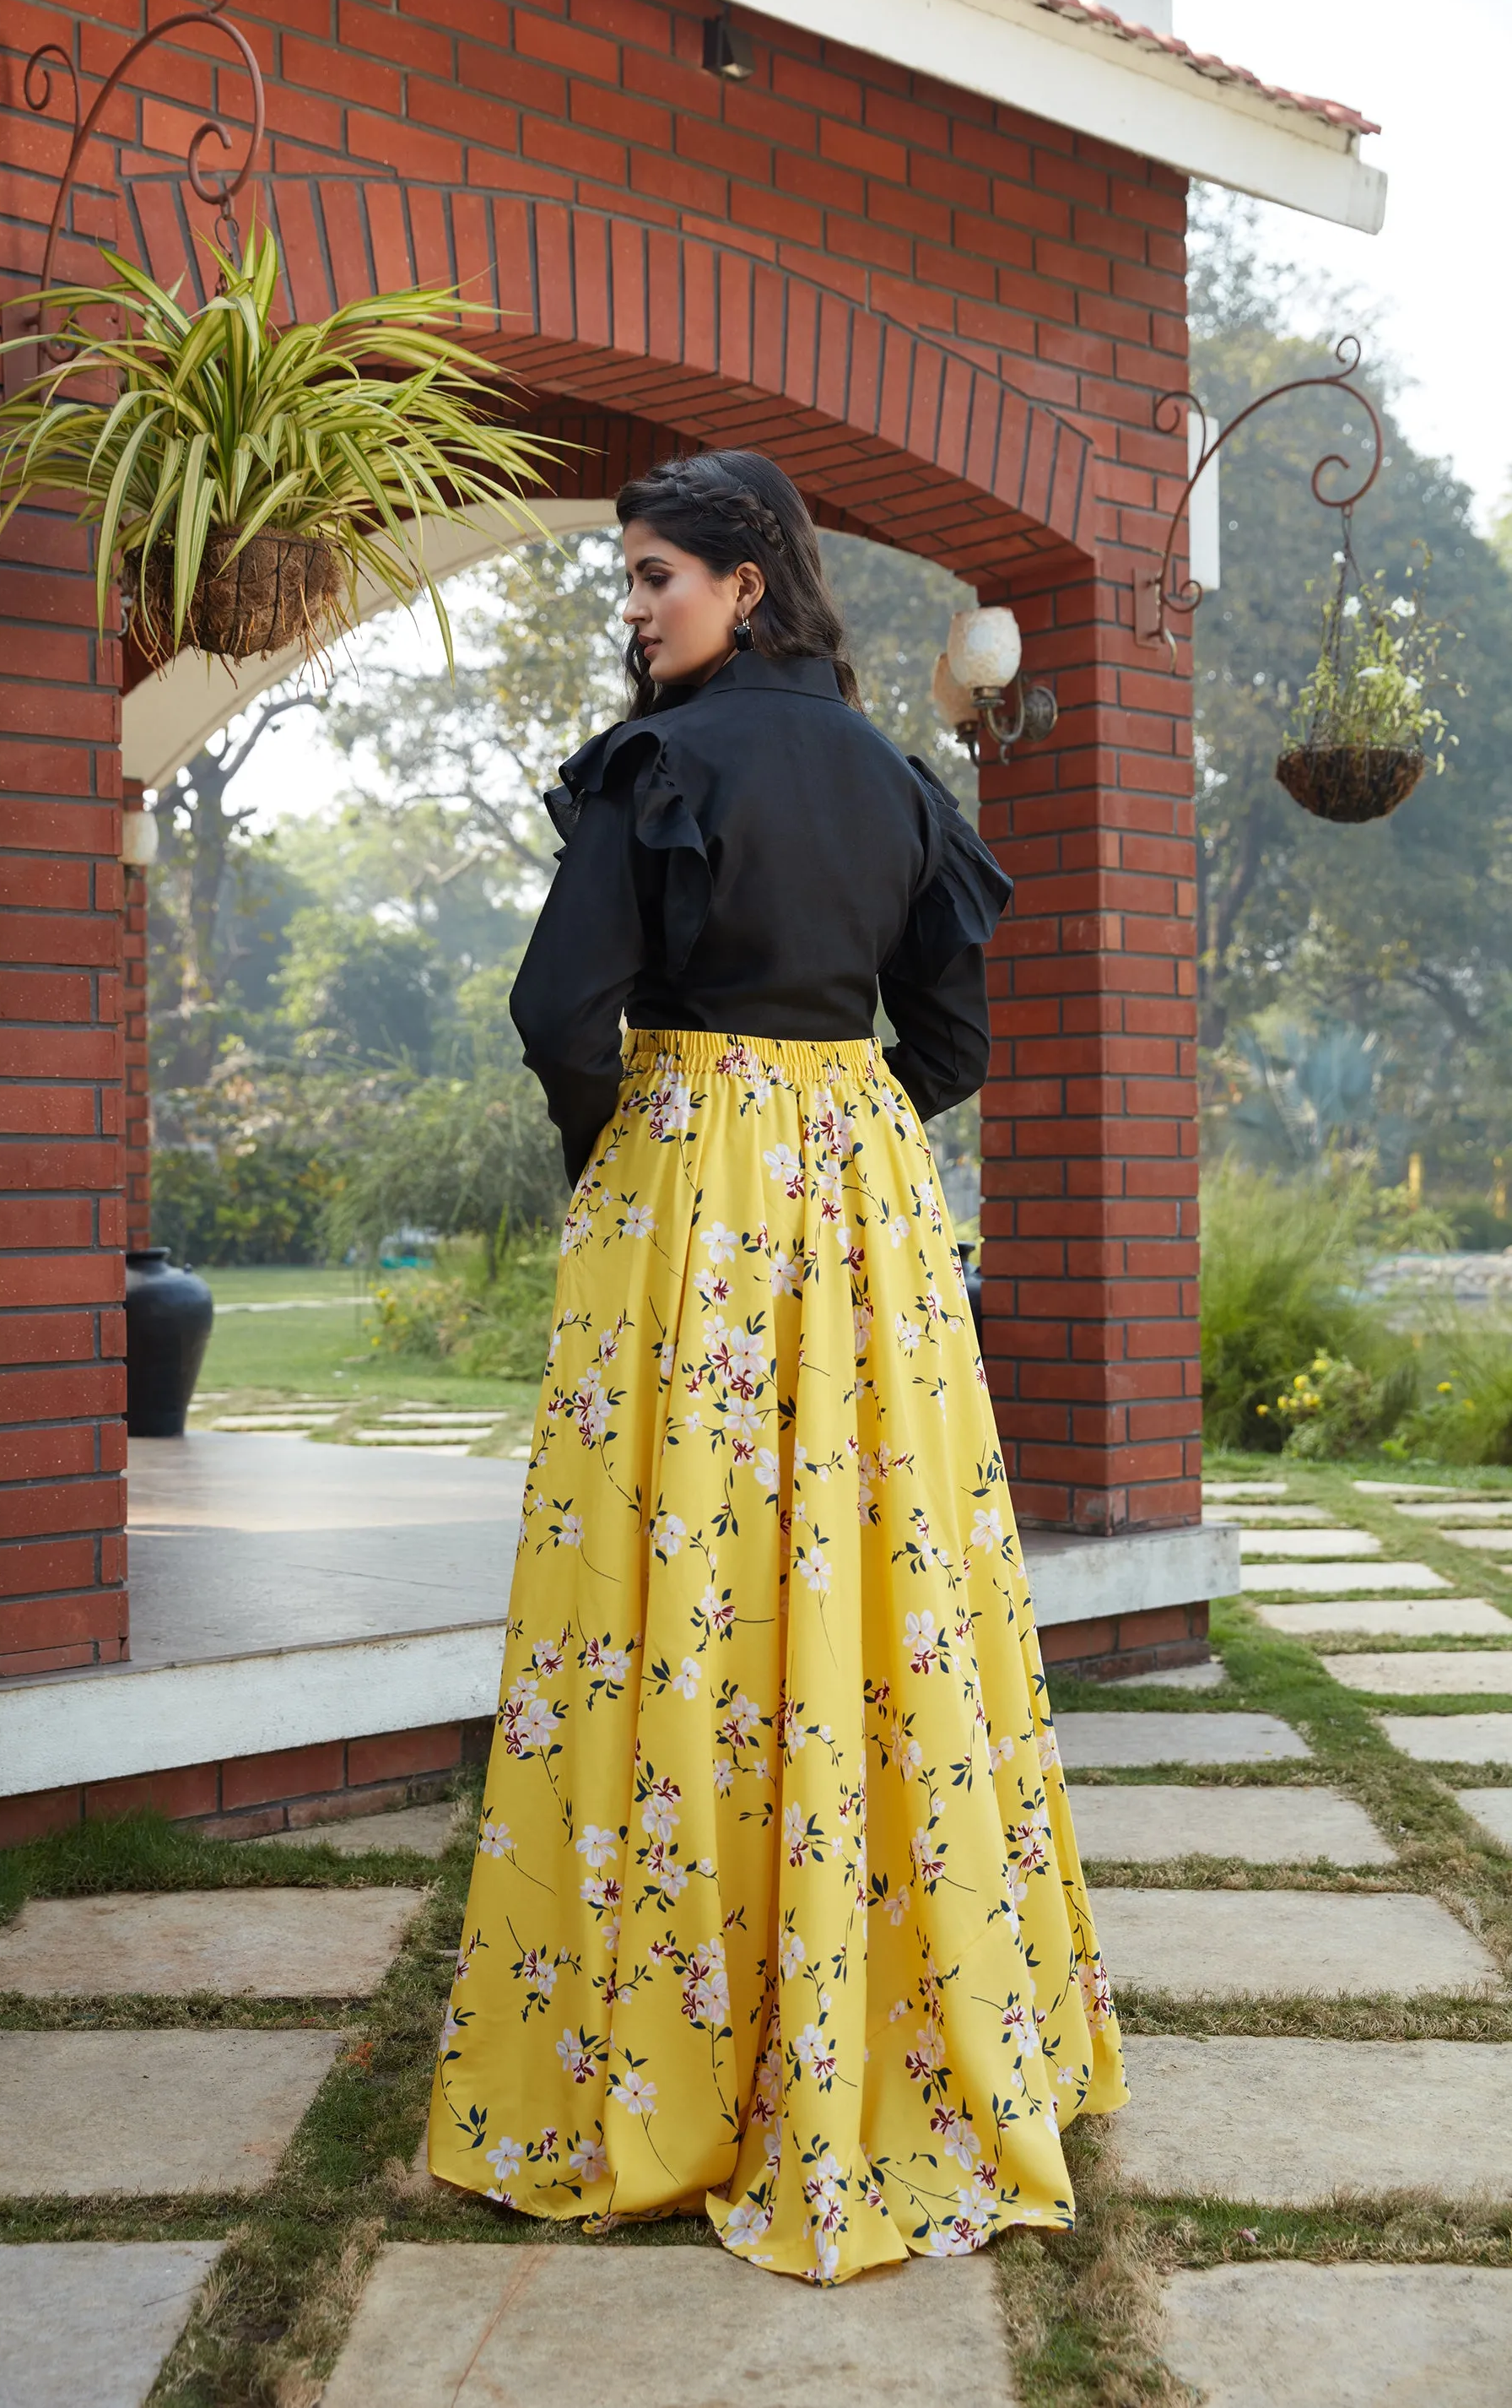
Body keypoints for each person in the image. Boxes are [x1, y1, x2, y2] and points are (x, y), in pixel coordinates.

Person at [426, 449, 1126, 2285]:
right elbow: (948, 1033)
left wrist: (652, 1134)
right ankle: (905, 2003)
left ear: (747, 584)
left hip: (694, 1204)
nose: (634, 609)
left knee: (676, 1582)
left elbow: (554, 1011)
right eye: (627, 580)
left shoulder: (658, 765)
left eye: (654, 576)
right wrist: (837, 1129)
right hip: (865, 1215)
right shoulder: (901, 778)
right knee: (878, 1582)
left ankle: (666, 2041)